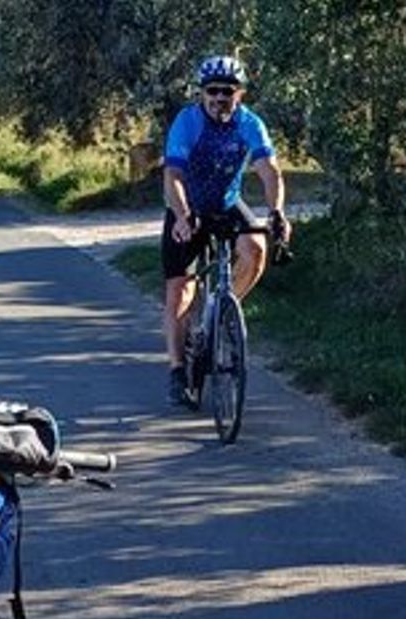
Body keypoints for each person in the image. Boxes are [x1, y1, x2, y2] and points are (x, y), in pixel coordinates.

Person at [160, 55, 292, 406]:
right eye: (213, 91)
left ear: (240, 94)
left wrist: (277, 212)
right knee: (180, 290)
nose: (220, 97)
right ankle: (177, 370)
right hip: (187, 206)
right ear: (202, 93)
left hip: (226, 202)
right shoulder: (188, 122)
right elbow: (173, 175)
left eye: (228, 91)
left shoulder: (249, 123)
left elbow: (269, 171)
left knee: (256, 249)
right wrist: (183, 217)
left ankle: (221, 313)